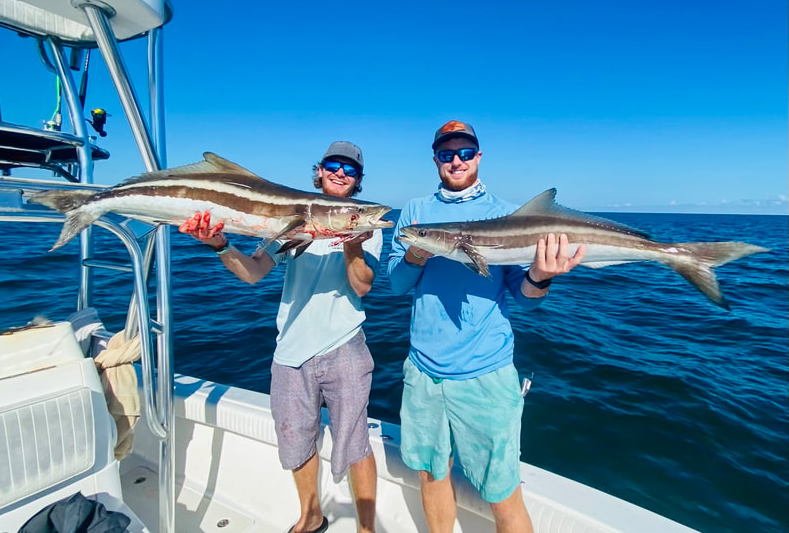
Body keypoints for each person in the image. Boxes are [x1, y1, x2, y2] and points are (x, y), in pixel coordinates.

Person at [387, 120, 585, 533]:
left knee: (502, 491)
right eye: (446, 153)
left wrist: (542, 275)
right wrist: (417, 254)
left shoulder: (505, 214)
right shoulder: (415, 213)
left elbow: (525, 298)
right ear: (436, 160)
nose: (455, 160)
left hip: (486, 374)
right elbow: (396, 285)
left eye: (464, 152)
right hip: (423, 371)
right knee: (431, 472)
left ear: (478, 156)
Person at [180, 141, 381, 533]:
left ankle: (366, 528)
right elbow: (253, 272)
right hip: (290, 350)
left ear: (357, 181)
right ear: (320, 171)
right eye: (333, 165)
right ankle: (311, 516)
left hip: (345, 346)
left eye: (350, 169)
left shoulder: (365, 224)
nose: (341, 172)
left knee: (355, 441)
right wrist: (220, 244)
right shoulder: (289, 219)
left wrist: (351, 244)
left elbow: (363, 286)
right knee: (295, 441)